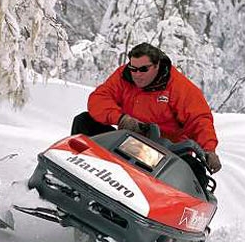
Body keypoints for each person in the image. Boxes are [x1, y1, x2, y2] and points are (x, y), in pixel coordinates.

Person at [71, 42, 222, 174]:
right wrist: (121, 118)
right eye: (133, 68)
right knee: (83, 121)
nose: (137, 74)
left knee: (195, 170)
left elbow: (199, 120)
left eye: (143, 69)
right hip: (126, 142)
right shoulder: (123, 77)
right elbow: (99, 99)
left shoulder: (180, 88)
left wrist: (209, 150)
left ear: (157, 66)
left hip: (164, 156)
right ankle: (74, 170)